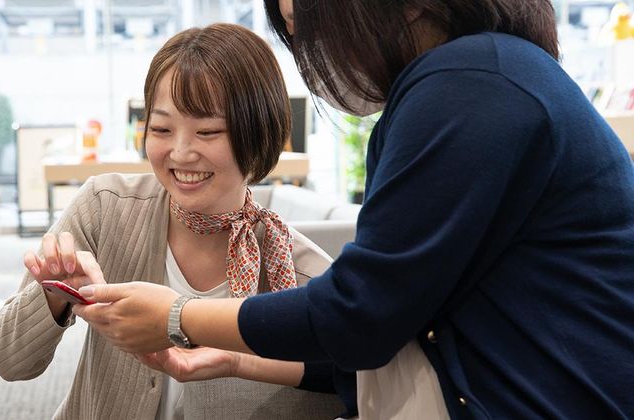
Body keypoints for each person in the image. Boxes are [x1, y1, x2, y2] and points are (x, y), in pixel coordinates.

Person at [73, 1, 634, 419]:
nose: (309, 49)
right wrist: (236, 357)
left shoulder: (469, 84)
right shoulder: (470, 79)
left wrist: (179, 317)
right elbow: (395, 322)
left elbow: (362, 316)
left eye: (306, 23)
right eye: (161, 129)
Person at [0, 23, 348, 419]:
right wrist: (54, 296)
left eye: (207, 131)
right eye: (161, 128)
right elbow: (8, 360)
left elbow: (363, 382)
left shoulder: (297, 272)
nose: (180, 152)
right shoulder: (106, 207)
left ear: (259, 132)